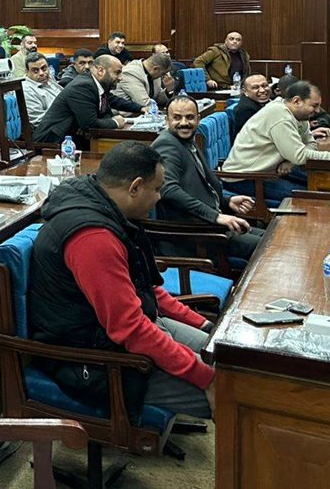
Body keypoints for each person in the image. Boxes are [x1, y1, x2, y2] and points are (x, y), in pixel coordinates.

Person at [28, 142, 214, 420]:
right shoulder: (94, 238)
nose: (159, 197)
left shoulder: (108, 208)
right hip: (95, 361)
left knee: (228, 358)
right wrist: (205, 378)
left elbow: (145, 288)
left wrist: (203, 324)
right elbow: (130, 329)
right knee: (235, 393)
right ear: (135, 187)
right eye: (157, 189)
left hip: (127, 330)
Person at [152, 95, 263, 261]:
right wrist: (215, 216)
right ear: (167, 120)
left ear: (198, 118)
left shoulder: (187, 140)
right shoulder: (167, 145)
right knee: (269, 247)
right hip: (194, 235)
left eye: (190, 117)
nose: (184, 123)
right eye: (177, 118)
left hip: (211, 224)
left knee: (271, 236)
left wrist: (227, 201)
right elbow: (168, 189)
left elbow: (197, 187)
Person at [221, 79, 330, 205]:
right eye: (314, 106)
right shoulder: (280, 115)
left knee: (325, 183)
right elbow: (300, 156)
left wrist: (291, 161)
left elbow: (310, 144)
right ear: (297, 101)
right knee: (315, 195)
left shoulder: (299, 116)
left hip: (268, 171)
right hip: (244, 178)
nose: (318, 111)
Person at [33, 54, 140, 145]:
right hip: (51, 143)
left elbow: (108, 107)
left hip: (74, 138)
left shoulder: (98, 84)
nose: (120, 78)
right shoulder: (83, 86)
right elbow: (89, 124)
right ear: (100, 71)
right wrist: (115, 122)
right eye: (117, 73)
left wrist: (140, 109)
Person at [20, 52, 62, 125]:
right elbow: (38, 121)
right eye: (35, 71)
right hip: (54, 127)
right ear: (27, 72)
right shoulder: (26, 90)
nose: (41, 73)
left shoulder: (49, 78)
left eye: (44, 68)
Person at [231, 73, 271, 138]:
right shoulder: (246, 109)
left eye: (265, 86)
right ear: (244, 91)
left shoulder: (259, 102)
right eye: (255, 87)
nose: (262, 90)